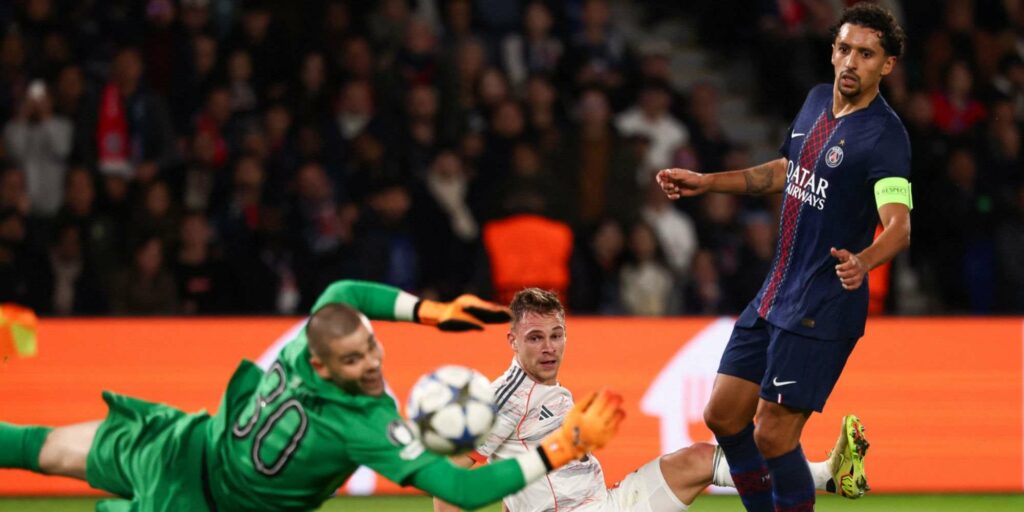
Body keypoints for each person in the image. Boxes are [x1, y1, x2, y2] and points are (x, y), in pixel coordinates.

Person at [0, 280, 626, 511]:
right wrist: (564, 446)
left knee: (42, 448)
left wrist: (428, 311)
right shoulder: (362, 426)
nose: (373, 364)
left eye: (373, 348)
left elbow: (345, 289)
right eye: (354, 360)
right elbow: (461, 490)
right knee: (42, 450)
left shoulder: (314, 337)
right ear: (323, 366)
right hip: (197, 501)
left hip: (185, 439)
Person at [656, 4, 910, 511]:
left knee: (772, 436)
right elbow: (784, 171)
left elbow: (899, 225)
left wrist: (865, 260)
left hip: (823, 304)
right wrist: (710, 183)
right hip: (776, 293)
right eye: (843, 49)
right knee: (724, 416)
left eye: (866, 53)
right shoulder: (816, 102)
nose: (850, 63)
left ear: (887, 65)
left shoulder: (885, 137)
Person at [434, 288, 867, 512]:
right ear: (512, 341)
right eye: (534, 338)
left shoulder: (544, 387)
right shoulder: (503, 398)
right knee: (700, 460)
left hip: (604, 502)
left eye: (556, 334)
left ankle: (829, 477)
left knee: (699, 459)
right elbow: (449, 477)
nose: (548, 347)